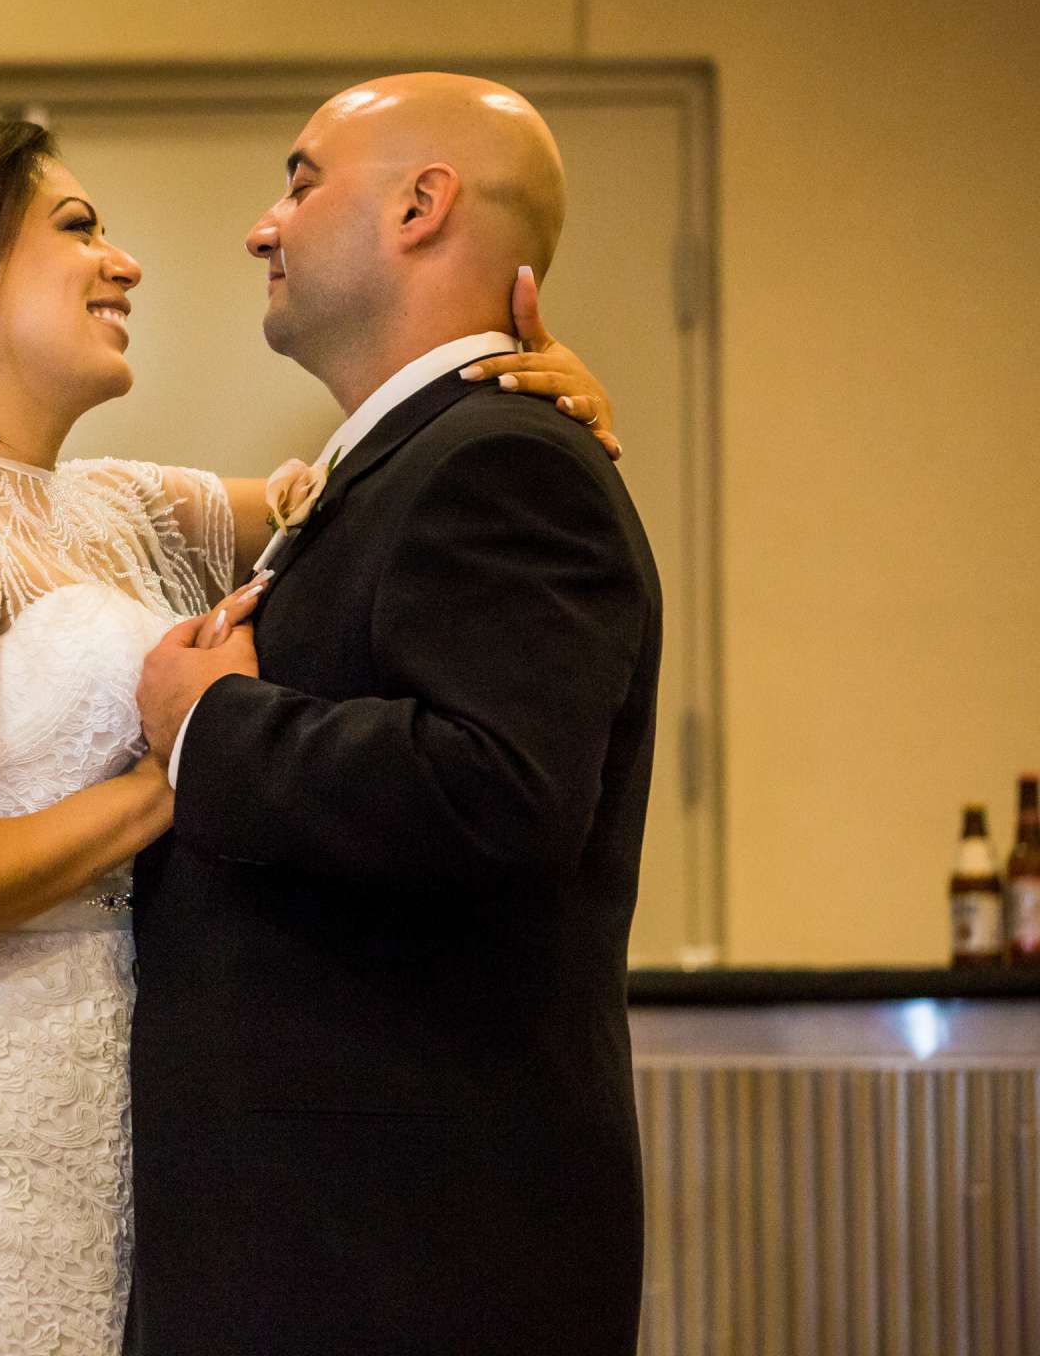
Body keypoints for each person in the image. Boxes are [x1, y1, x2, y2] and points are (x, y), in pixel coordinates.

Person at [0, 111, 619, 1352]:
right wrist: (167, 778)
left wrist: (526, 385)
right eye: (78, 228)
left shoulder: (119, 507)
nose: (124, 261)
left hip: (82, 1164)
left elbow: (369, 495)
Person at [128, 74, 659, 1353]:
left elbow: (501, 788)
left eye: (303, 180)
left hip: (403, 1256)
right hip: (335, 1245)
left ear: (423, 206)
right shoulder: (408, 460)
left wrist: (213, 725)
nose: (266, 225)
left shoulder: (501, 460)